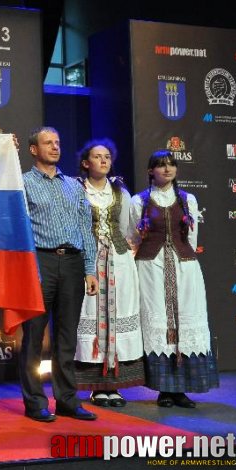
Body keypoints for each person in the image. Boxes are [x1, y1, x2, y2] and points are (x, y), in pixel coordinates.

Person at [20, 127, 99, 422]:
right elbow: (21, 229)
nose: (55, 147)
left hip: (73, 262)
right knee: (34, 336)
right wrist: (28, 268)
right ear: (33, 149)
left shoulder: (74, 186)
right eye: (47, 143)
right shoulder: (24, 183)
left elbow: (85, 230)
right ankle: (35, 402)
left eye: (58, 142)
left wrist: (90, 268)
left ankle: (67, 399)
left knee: (67, 337)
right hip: (40, 261)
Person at [131, 150, 218, 407]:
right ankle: (163, 389)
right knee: (159, 324)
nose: (167, 169)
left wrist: (183, 259)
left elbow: (192, 238)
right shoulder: (140, 201)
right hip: (151, 268)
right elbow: (134, 238)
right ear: (150, 171)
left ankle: (180, 389)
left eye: (171, 165)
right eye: (160, 165)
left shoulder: (188, 199)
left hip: (184, 267)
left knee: (183, 322)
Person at [73, 139, 144, 407]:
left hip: (119, 261)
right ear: (85, 163)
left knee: (117, 317)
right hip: (88, 263)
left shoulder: (120, 193)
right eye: (97, 156)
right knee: (91, 316)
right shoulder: (76, 190)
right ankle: (96, 386)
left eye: (107, 157)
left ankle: (114, 386)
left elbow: (127, 228)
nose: (103, 161)